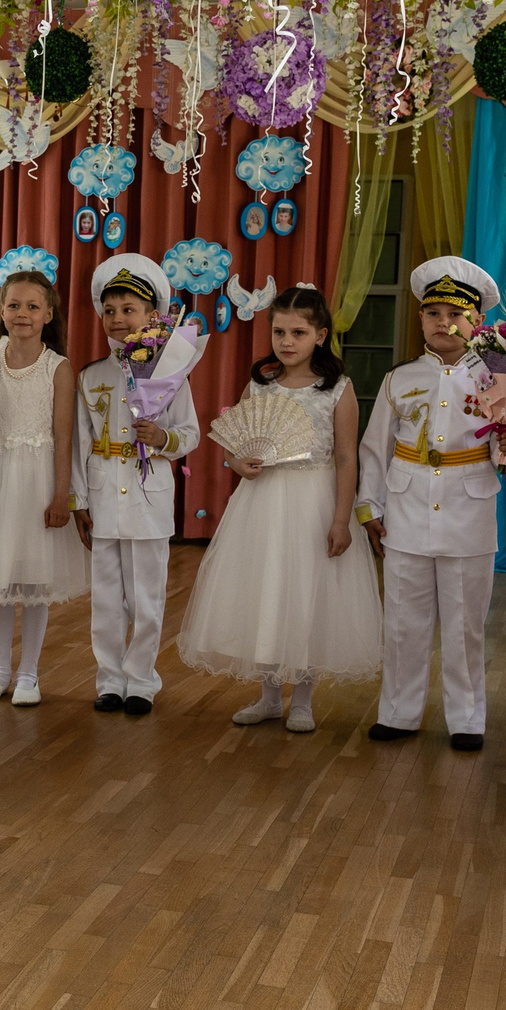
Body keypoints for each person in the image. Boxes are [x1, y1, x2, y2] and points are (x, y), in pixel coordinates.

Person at [177, 285, 383, 733]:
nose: (287, 342)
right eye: (279, 332)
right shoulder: (260, 384)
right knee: (266, 590)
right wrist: (238, 463)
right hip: (263, 502)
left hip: (314, 499)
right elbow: (237, 445)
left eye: (298, 332)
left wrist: (341, 518)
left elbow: (347, 456)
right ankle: (269, 696)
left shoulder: (337, 389)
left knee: (307, 593)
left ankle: (303, 699)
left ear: (321, 335)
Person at [359, 257, 506, 750]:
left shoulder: (497, 376)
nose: (443, 322)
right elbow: (375, 448)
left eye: (455, 314)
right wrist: (370, 507)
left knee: (464, 626)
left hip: (469, 510)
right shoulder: (400, 378)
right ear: (420, 320)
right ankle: (398, 712)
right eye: (432, 312)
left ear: (477, 321)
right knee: (404, 622)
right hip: (407, 509)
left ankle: (467, 718)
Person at [0, 265, 87, 704]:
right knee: (0, 577)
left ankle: (28, 674)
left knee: (33, 579)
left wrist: (61, 495)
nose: (21, 313)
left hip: (38, 476)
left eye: (32, 306)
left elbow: (64, 437)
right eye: (13, 305)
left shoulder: (58, 367)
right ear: (1, 311)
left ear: (49, 314)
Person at [72, 254, 197, 716]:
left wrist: (162, 438)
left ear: (153, 317)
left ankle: (141, 681)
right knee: (105, 600)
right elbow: (78, 443)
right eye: (110, 311)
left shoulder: (172, 375)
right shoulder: (91, 376)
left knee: (147, 598)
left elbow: (190, 434)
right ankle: (108, 680)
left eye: (130, 310)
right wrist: (78, 499)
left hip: (148, 502)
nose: (119, 319)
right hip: (104, 498)